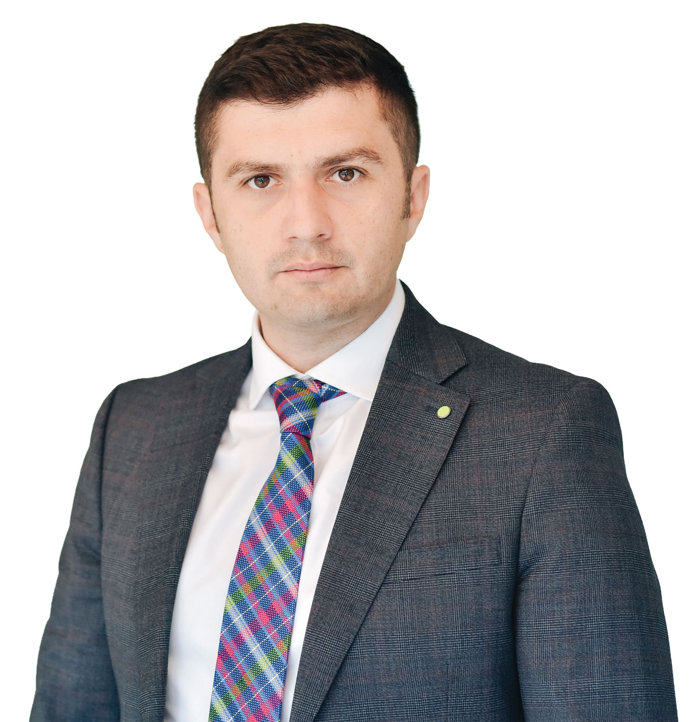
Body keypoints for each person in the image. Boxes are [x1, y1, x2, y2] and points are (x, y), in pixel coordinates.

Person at [31, 22, 677, 722]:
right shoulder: (134, 429)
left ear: (412, 197)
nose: (306, 223)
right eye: (259, 180)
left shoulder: (541, 434)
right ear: (210, 214)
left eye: (345, 173)